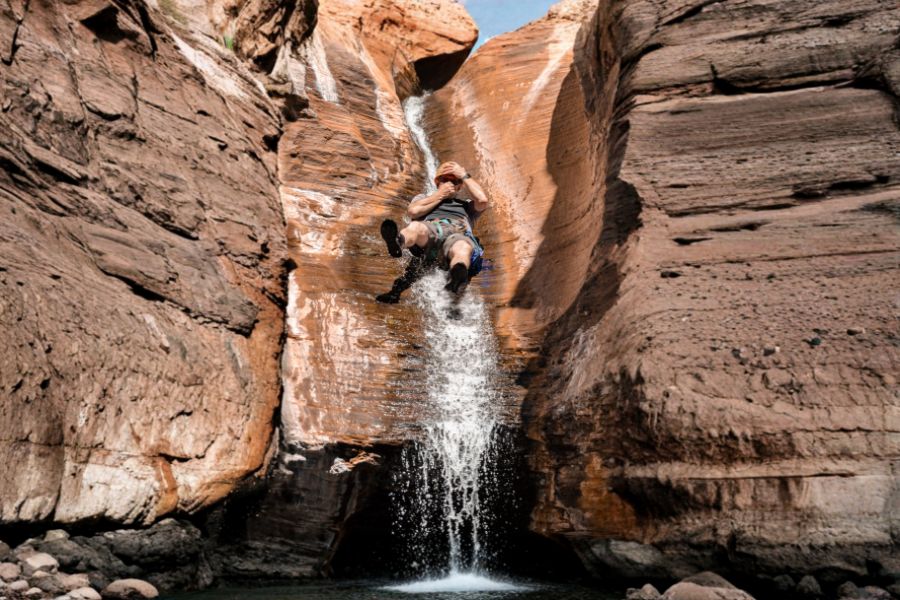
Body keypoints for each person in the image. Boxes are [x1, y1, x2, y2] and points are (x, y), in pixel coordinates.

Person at [379, 161, 489, 296]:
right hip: (432, 231)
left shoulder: (467, 205)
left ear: (460, 186)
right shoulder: (424, 198)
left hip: (458, 232)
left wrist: (463, 175)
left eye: (454, 181)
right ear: (437, 182)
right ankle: (397, 244)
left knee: (462, 247)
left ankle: (457, 277)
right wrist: (439, 195)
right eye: (445, 180)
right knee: (416, 226)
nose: (449, 184)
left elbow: (483, 200)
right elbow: (413, 211)